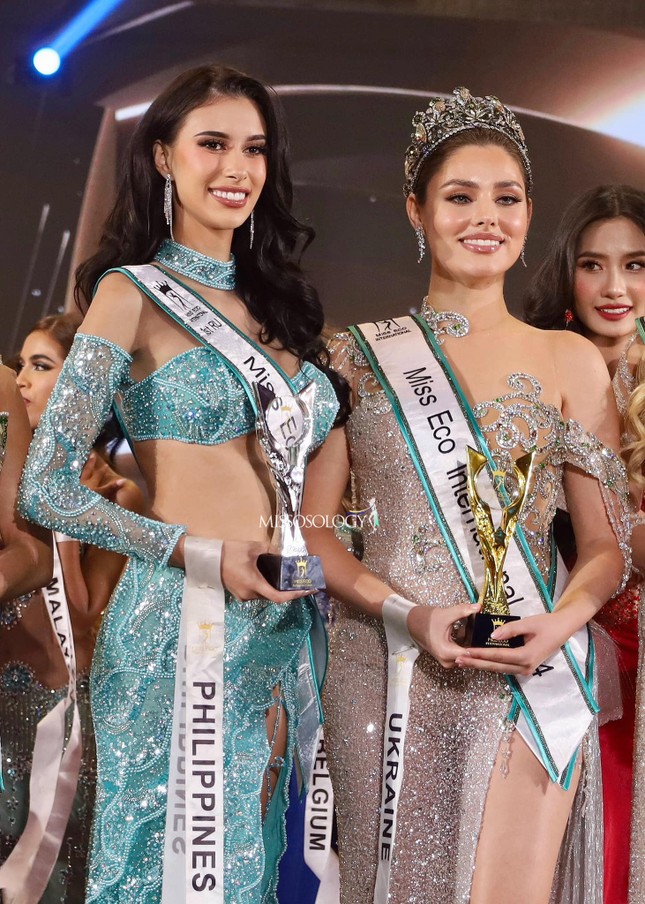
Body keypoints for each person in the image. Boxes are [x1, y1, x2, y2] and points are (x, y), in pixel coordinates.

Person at [18, 64, 345, 903]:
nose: (236, 168)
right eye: (212, 144)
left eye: (254, 149)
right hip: (176, 621)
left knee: (246, 874)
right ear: (163, 157)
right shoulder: (130, 294)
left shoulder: (281, 310)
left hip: (276, 628)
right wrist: (196, 551)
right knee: (157, 876)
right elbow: (46, 488)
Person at [301, 88, 631, 904]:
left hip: (528, 666)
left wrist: (559, 623)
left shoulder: (568, 359)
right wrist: (407, 613)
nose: (486, 217)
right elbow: (314, 530)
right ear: (416, 211)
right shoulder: (355, 356)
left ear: (528, 215)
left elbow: (604, 546)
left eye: (506, 198)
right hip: (384, 663)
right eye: (459, 197)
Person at [525, 184, 645, 904]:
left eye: (635, 265)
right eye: (593, 265)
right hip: (564, 657)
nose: (614, 288)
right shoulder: (532, 376)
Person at [0, 313, 144, 901]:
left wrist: (67, 516)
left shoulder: (118, 493)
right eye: (21, 365)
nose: (23, 381)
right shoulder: (10, 471)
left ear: (83, 383)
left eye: (42, 366)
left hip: (52, 716)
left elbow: (86, 618)